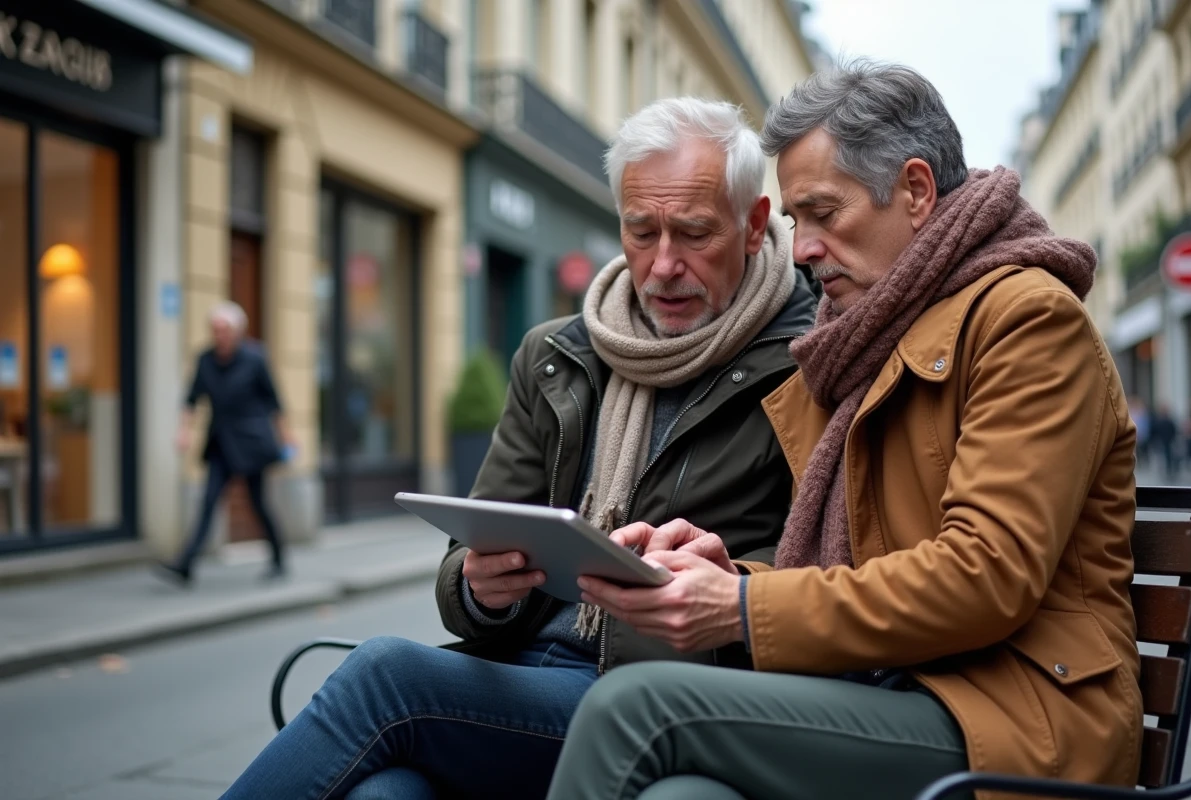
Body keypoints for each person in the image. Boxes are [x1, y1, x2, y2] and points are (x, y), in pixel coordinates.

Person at [545, 59, 1141, 800]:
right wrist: (734, 579)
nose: (801, 249)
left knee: (635, 710)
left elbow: (985, 576)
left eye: (825, 213)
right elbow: (873, 559)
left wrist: (737, 609)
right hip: (905, 690)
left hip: (1019, 721)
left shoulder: (1026, 320)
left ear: (917, 192)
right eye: (797, 221)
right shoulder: (868, 335)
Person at [221, 97, 818, 799]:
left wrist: (731, 586)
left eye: (692, 233)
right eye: (639, 230)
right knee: (382, 795)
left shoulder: (809, 360)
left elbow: (834, 562)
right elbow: (465, 563)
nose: (661, 265)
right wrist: (481, 589)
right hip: (526, 673)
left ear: (753, 226)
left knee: (386, 675)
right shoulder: (557, 355)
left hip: (665, 696)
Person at [158, 301, 294, 585]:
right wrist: (184, 431)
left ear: (238, 331)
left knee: (258, 503)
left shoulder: (255, 358)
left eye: (224, 329)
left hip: (251, 442)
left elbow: (273, 401)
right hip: (220, 441)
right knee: (208, 502)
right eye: (215, 329)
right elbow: (191, 399)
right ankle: (185, 564)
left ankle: (279, 557)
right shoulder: (205, 359)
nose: (219, 334)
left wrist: (287, 436)